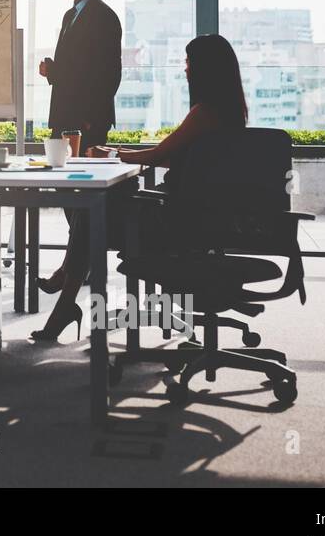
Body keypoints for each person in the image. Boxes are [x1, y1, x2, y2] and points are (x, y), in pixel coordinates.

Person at [31, 34, 249, 342]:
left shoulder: (204, 113)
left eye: (189, 63)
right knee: (102, 203)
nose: (185, 69)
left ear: (205, 68)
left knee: (92, 211)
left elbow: (160, 154)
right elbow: (188, 161)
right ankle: (66, 293)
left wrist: (115, 154)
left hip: (175, 223)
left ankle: (66, 297)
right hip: (198, 219)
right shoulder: (232, 114)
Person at [40, 0, 122, 153]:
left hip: (87, 121)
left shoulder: (104, 16)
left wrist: (90, 119)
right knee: (60, 177)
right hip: (65, 116)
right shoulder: (70, 15)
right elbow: (76, 67)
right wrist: (52, 70)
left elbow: (109, 73)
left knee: (85, 178)